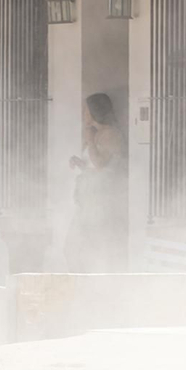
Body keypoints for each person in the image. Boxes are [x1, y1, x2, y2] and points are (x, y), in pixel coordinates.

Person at [66, 93, 126, 271]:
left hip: (101, 201)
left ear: (94, 112)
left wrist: (90, 140)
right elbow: (93, 166)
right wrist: (81, 163)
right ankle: (82, 285)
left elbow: (101, 165)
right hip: (88, 200)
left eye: (85, 110)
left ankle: (92, 288)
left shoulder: (111, 134)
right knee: (73, 247)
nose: (83, 113)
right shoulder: (97, 133)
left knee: (87, 247)